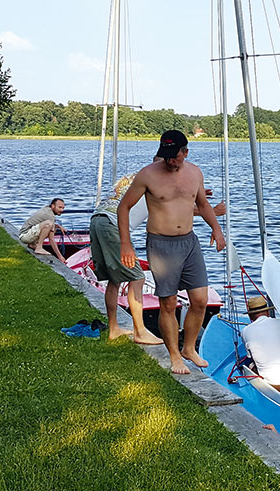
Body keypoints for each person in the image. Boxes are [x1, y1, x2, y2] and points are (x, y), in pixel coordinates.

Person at [118, 130, 226, 375]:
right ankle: (175, 356)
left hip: (189, 242)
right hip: (161, 244)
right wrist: (126, 243)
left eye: (175, 156)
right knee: (168, 303)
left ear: (185, 152)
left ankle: (189, 348)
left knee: (200, 299)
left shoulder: (195, 173)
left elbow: (203, 204)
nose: (170, 161)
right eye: (166, 156)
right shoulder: (148, 175)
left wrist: (217, 230)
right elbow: (124, 207)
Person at [89, 174, 163, 345]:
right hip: (112, 225)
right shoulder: (156, 181)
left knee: (113, 280)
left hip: (97, 220)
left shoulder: (133, 177)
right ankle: (140, 332)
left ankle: (114, 329)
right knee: (137, 278)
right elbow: (170, 209)